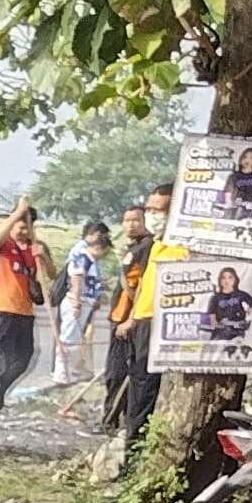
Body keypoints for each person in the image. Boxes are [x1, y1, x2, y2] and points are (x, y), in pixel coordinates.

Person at [104, 189, 172, 442]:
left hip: (159, 322)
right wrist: (133, 317)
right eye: (149, 210)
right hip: (138, 320)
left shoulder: (176, 246)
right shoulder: (156, 245)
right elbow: (143, 284)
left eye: (157, 210)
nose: (151, 215)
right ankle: (128, 435)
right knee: (134, 382)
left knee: (145, 387)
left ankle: (137, 441)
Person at [0, 201, 52, 411]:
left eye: (27, 227)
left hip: (25, 312)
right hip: (0, 311)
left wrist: (43, 256)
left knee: (23, 359)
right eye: (20, 227)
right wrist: (18, 211)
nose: (24, 231)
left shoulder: (34, 248)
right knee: (2, 359)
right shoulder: (3, 245)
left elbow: (51, 274)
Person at [56, 217, 111, 393]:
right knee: (68, 338)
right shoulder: (82, 258)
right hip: (77, 302)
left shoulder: (91, 261)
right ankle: (61, 373)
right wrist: (77, 302)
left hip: (86, 302)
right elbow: (77, 280)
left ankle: (68, 371)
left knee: (74, 339)